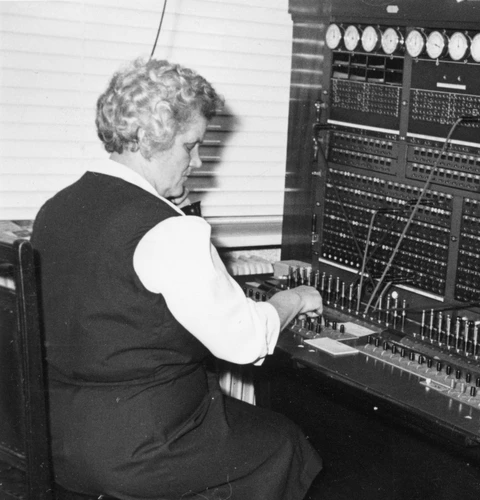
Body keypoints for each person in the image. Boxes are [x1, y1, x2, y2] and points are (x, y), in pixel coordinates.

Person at [32, 58, 323, 499]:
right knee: (284, 443)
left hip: (56, 440)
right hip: (143, 451)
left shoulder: (56, 208)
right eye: (191, 145)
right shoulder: (168, 231)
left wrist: (171, 205)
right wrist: (295, 299)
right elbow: (244, 341)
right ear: (151, 137)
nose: (198, 160)